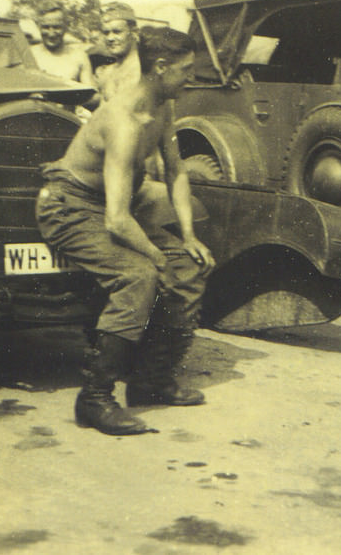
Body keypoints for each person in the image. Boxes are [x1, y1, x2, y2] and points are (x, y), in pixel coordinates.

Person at [35, 26, 216, 434]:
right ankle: (94, 398)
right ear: (161, 67)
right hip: (69, 207)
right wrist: (153, 256)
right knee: (139, 275)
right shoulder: (124, 119)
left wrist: (186, 237)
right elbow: (117, 220)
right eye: (186, 69)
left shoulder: (162, 108)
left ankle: (151, 381)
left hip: (113, 207)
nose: (192, 77)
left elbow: (176, 172)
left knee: (188, 267)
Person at [92, 1, 142, 102]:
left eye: (117, 32)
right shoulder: (105, 72)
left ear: (134, 32)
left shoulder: (144, 70)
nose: (110, 38)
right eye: (106, 33)